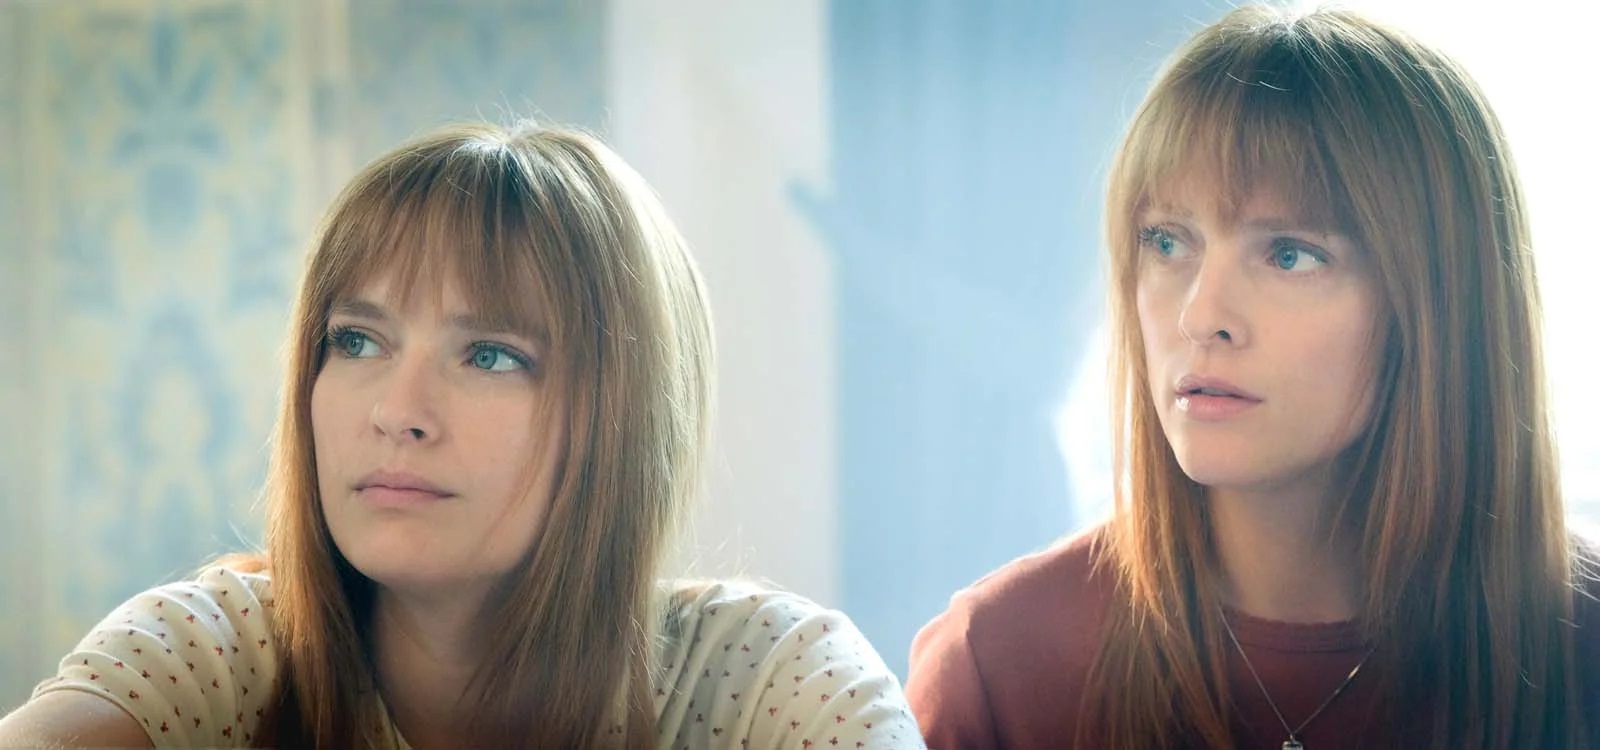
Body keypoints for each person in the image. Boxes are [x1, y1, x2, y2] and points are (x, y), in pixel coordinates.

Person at [0, 122, 922, 749]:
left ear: (626, 416)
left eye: (489, 355)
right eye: (356, 341)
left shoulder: (770, 679)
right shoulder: (218, 650)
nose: (397, 410)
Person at [905, 5, 1599, 748]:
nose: (1201, 316)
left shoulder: (1580, 651)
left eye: (1289, 254)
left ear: (1441, 305)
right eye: (1167, 241)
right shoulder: (999, 665)